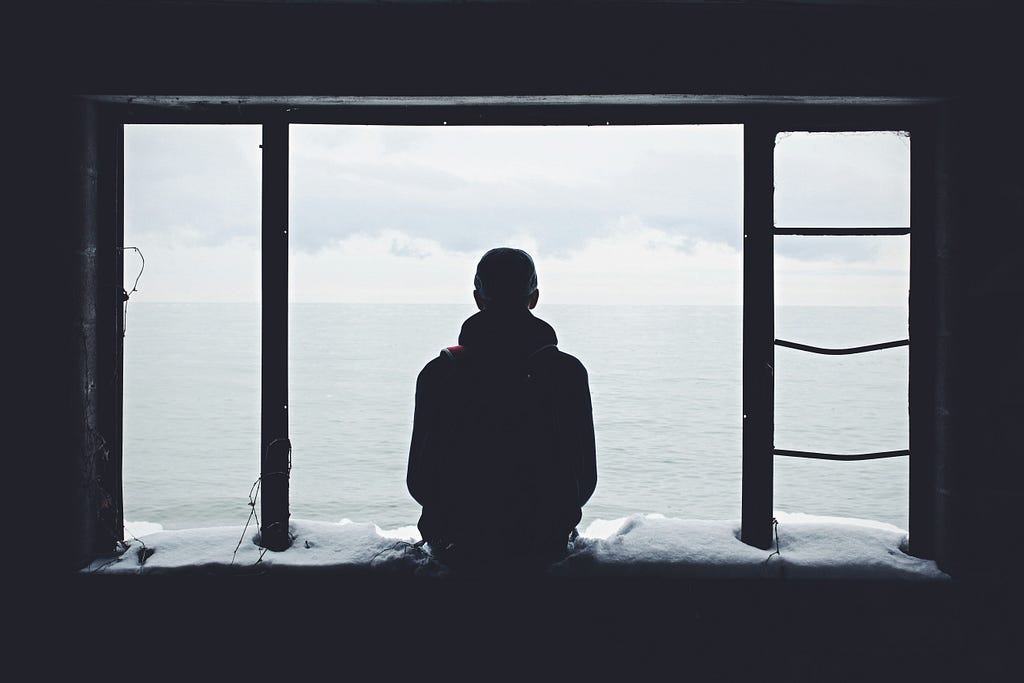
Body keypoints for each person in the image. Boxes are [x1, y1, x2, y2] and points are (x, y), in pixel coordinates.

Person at [407, 247, 597, 575]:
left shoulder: (440, 373)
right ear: (534, 297)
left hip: (457, 544)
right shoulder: (567, 373)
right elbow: (585, 479)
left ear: (478, 298)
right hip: (542, 544)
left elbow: (419, 482)